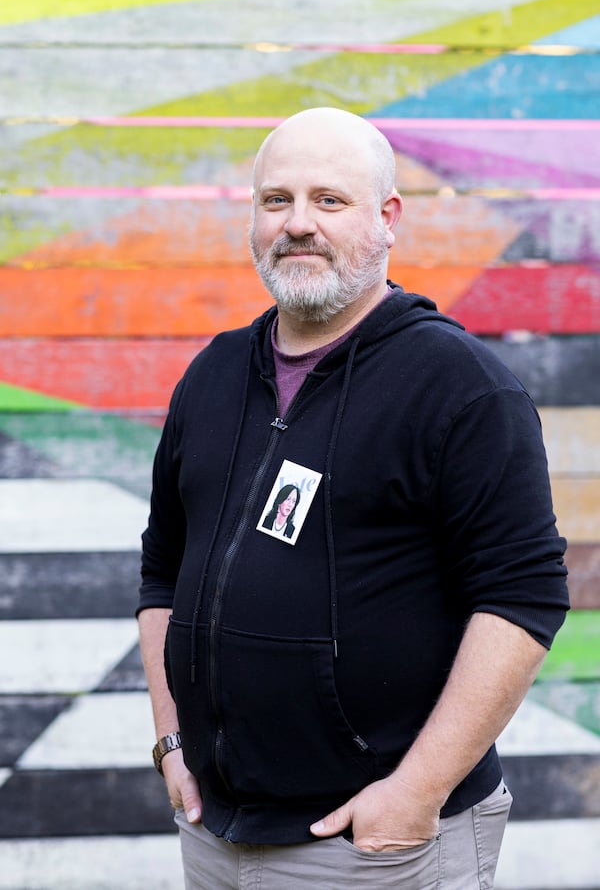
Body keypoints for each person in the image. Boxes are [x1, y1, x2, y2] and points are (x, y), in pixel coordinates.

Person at [137, 107, 569, 889]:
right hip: (214, 833)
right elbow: (162, 570)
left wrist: (416, 792)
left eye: (329, 201)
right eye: (277, 201)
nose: (298, 224)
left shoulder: (460, 388)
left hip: (370, 845)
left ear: (387, 217)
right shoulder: (214, 375)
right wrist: (171, 742)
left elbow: (523, 599)